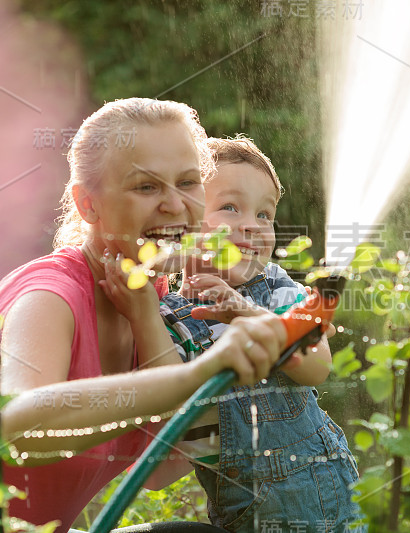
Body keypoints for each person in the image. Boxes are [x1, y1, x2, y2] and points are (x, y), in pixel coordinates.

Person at [0, 99, 292, 533]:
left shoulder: (155, 304)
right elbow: (18, 425)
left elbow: (170, 464)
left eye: (187, 182)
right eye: (146, 187)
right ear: (89, 205)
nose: (174, 204)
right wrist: (193, 375)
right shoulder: (52, 294)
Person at [105, 137, 363, 532]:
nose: (251, 225)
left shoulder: (277, 288)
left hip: (334, 496)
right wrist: (142, 314)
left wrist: (245, 312)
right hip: (249, 517)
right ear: (186, 223)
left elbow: (317, 366)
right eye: (230, 207)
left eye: (265, 214)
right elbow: (171, 395)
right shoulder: (171, 316)